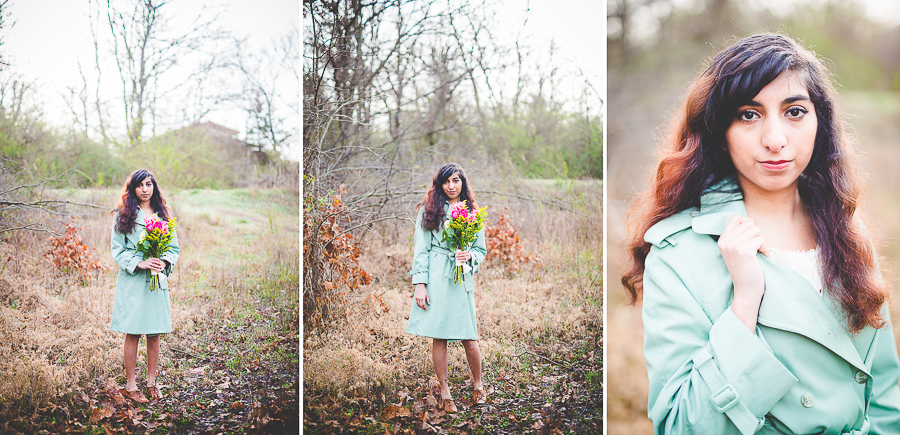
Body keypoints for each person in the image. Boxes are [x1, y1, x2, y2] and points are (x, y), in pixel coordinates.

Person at [621, 33, 900, 434]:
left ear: (820, 123)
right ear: (720, 132)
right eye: (749, 115)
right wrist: (745, 304)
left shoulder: (848, 233)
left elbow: (885, 397)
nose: (775, 140)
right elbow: (682, 424)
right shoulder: (679, 252)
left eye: (795, 112)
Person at [407, 163, 488, 412]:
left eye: (456, 180)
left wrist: (469, 256)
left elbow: (480, 250)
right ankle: (445, 391)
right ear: (440, 184)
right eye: (446, 181)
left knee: (469, 336)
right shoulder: (429, 210)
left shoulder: (472, 211)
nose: (451, 186)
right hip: (437, 276)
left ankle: (478, 384)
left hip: (461, 277)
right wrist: (421, 285)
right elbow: (421, 250)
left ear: (463, 183)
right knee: (440, 335)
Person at [110, 169, 180, 403]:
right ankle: (131, 385)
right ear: (133, 188)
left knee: (154, 331)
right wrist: (139, 262)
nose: (145, 189)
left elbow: (173, 248)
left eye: (149, 184)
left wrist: (164, 261)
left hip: (155, 279)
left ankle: (151, 382)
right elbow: (117, 250)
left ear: (154, 187)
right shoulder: (123, 214)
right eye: (140, 185)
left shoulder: (164, 213)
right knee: (133, 331)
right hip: (133, 279)